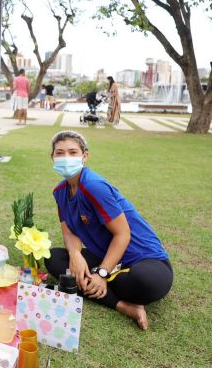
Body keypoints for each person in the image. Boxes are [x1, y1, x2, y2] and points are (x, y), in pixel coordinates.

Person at [44, 131, 173, 330]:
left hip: (143, 259)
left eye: (73, 152)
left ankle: (100, 282)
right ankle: (123, 305)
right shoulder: (59, 192)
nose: (66, 158)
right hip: (107, 259)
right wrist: (75, 254)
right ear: (52, 157)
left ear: (85, 156)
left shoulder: (93, 186)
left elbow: (123, 234)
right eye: (60, 153)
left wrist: (102, 274)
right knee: (53, 258)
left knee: (147, 282)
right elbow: (69, 231)